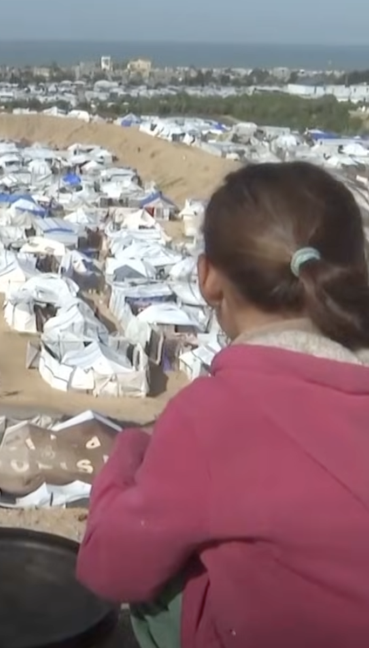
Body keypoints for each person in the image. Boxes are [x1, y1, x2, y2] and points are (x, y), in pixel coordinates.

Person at [77, 162, 369, 648]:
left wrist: (129, 450)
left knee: (166, 582)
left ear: (208, 278)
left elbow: (107, 567)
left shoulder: (212, 415)